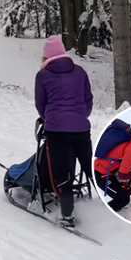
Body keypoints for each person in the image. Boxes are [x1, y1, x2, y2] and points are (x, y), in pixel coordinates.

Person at [35, 35, 93, 228]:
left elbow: (40, 103)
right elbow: (88, 100)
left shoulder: (42, 76)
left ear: (46, 57)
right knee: (88, 169)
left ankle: (67, 215)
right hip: (81, 130)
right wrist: (80, 116)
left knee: (63, 173)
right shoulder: (80, 72)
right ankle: (102, 208)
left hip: (57, 132)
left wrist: (48, 119)